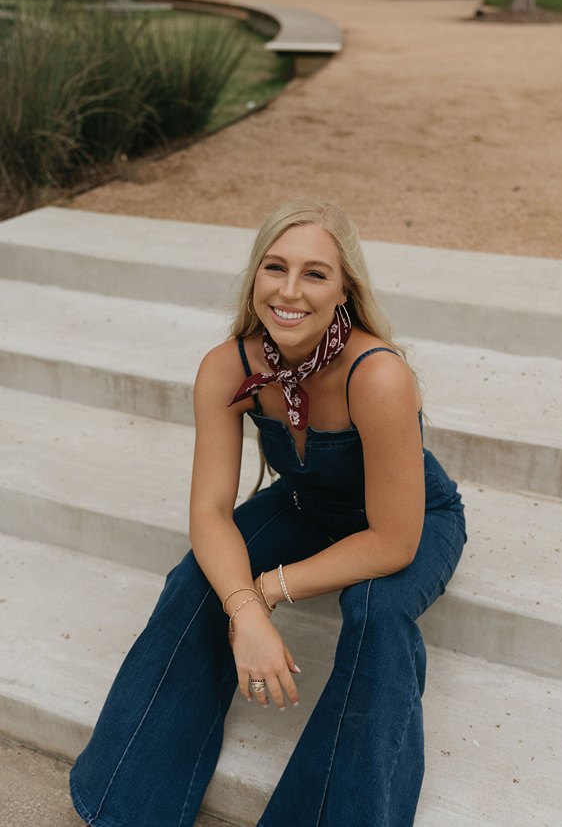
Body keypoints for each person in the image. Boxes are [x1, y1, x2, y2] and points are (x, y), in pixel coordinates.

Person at [70, 200, 466, 827]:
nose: (289, 290)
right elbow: (208, 514)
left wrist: (267, 590)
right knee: (196, 578)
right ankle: (126, 806)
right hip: (307, 504)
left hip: (411, 517)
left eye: (314, 274)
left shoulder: (378, 374)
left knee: (378, 611)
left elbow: (392, 540)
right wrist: (242, 609)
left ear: (343, 291)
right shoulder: (228, 367)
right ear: (254, 276)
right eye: (274, 268)